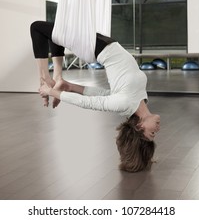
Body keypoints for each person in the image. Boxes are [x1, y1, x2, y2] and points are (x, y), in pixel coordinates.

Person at [30, 20, 160, 172]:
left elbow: (88, 102)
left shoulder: (125, 104)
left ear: (139, 127)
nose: (157, 130)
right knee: (58, 33)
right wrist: (69, 86)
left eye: (152, 133)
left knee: (37, 27)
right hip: (103, 43)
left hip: (95, 48)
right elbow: (103, 94)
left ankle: (44, 77)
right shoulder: (139, 102)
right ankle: (58, 78)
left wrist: (51, 92)